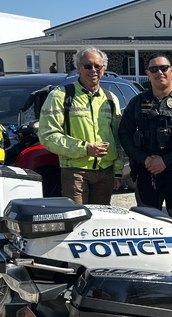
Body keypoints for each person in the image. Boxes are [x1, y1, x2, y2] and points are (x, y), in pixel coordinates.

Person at [119, 52, 172, 257]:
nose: (160, 73)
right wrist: (144, 159)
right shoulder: (137, 102)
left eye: (164, 68)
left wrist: (166, 160)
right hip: (146, 171)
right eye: (154, 69)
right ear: (147, 73)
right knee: (146, 220)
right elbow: (124, 134)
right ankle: (151, 264)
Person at [38, 47, 122, 205]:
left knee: (101, 219)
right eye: (88, 66)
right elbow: (47, 135)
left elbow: (117, 138)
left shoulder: (110, 99)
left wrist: (117, 172)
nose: (93, 70)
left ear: (103, 69)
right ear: (78, 68)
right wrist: (85, 148)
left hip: (105, 172)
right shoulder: (60, 96)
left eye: (98, 66)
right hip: (75, 172)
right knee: (78, 218)